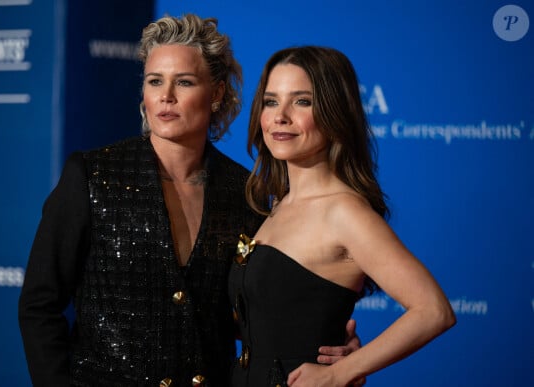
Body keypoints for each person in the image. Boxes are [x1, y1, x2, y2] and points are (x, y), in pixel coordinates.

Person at [18, 15, 362, 387]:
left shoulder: (247, 193)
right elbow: (40, 304)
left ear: (216, 93)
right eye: (154, 81)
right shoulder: (92, 175)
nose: (166, 95)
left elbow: (250, 312)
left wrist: (325, 349)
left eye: (184, 82)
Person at [229, 46, 456, 386]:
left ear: (335, 113)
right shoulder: (275, 205)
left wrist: (341, 372)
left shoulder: (344, 212)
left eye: (302, 101)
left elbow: (434, 311)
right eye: (271, 101)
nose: (280, 116)